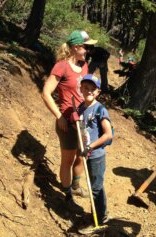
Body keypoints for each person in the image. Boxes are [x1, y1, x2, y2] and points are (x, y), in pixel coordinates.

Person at [41, 30, 97, 207]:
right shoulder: (62, 66)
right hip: (67, 120)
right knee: (69, 159)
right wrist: (59, 117)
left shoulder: (84, 65)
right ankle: (67, 195)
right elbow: (46, 93)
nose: (88, 50)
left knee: (83, 156)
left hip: (84, 120)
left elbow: (86, 91)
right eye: (86, 47)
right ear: (76, 47)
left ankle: (76, 185)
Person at [76, 74, 112, 229]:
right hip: (86, 153)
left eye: (93, 89)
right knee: (94, 185)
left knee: (95, 188)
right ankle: (101, 212)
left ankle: (98, 219)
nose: (89, 91)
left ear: (98, 92)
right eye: (86, 88)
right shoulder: (81, 108)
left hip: (96, 155)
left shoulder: (100, 109)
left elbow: (108, 134)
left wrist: (91, 147)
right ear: (81, 89)